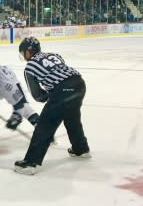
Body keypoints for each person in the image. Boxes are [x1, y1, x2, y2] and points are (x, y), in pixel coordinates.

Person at [15, 37, 90, 175]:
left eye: (24, 52)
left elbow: (37, 95)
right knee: (72, 118)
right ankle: (81, 149)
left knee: (44, 125)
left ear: (28, 52)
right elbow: (61, 72)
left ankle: (30, 163)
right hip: (79, 84)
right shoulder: (54, 55)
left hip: (62, 91)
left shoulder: (30, 67)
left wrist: (48, 97)